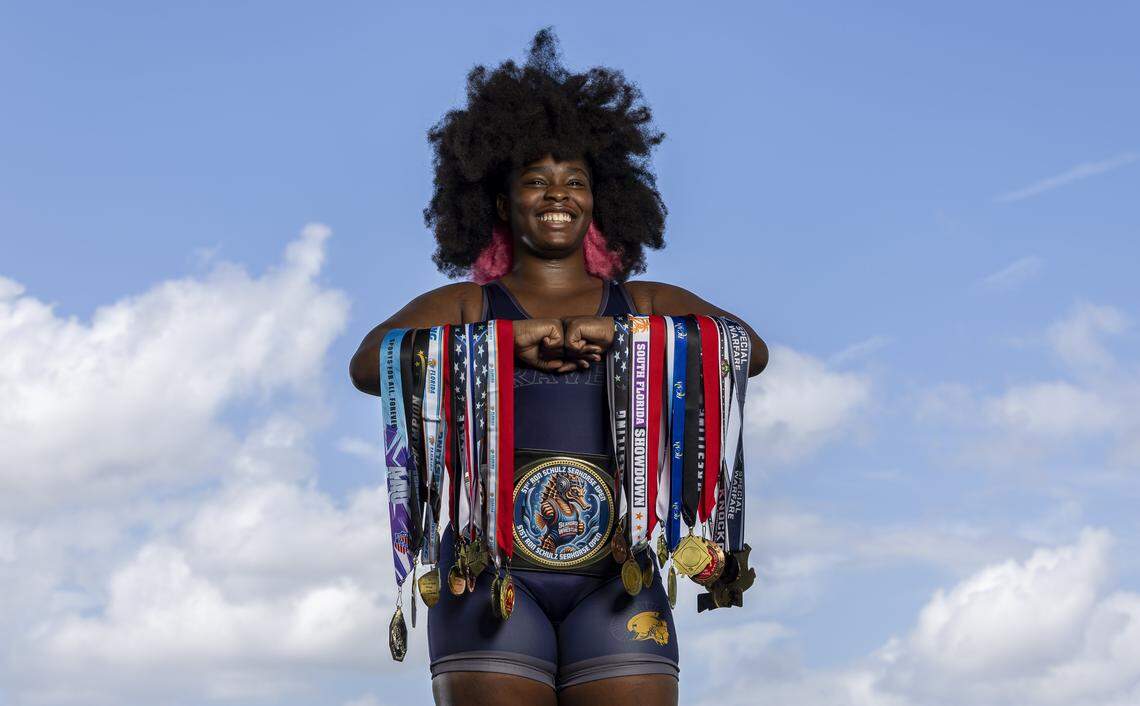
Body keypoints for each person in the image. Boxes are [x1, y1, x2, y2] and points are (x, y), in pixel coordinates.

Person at [350, 27, 768, 706]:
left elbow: (747, 349)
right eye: (535, 182)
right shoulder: (466, 303)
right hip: (488, 571)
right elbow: (370, 365)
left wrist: (627, 335)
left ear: (599, 200)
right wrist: (501, 343)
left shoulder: (645, 301)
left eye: (574, 181)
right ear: (497, 203)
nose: (556, 195)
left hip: (618, 570)